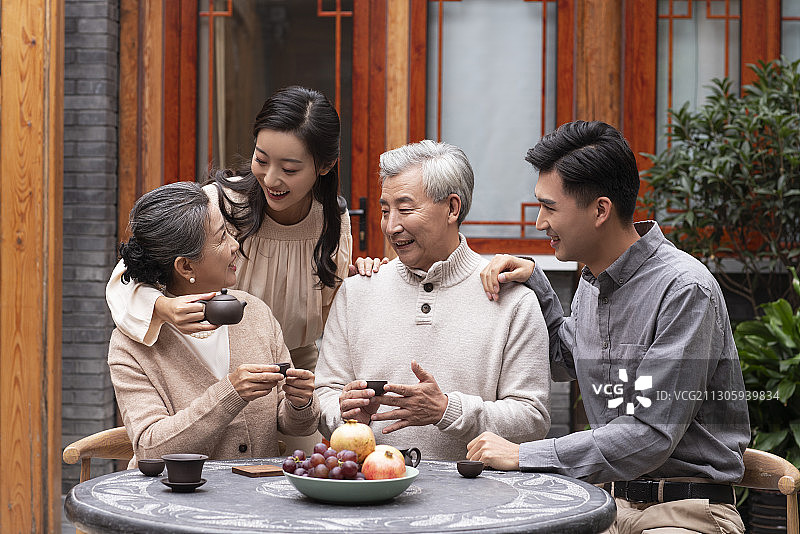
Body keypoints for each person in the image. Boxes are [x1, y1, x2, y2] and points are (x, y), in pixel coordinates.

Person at [470, 121, 749, 533]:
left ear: (600, 210)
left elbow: (651, 433)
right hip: (610, 506)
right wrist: (534, 282)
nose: (539, 223)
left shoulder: (685, 290)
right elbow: (565, 360)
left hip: (687, 512)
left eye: (549, 208)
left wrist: (525, 454)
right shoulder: (592, 283)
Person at [315, 140, 551, 461]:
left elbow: (533, 418)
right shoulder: (358, 291)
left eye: (406, 209)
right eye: (385, 211)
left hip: (474, 500)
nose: (391, 225)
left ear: (452, 208)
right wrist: (345, 413)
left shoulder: (513, 299)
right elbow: (325, 393)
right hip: (369, 495)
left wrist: (447, 411)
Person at [106, 86, 367, 373]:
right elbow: (127, 275)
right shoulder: (218, 206)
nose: (270, 179)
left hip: (293, 374)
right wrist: (162, 308)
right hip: (211, 370)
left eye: (289, 169)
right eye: (261, 160)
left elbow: (331, 316)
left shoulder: (332, 220)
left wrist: (367, 282)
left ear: (325, 166)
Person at [109, 181, 320, 464]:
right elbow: (150, 448)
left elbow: (296, 425)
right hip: (177, 503)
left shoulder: (254, 312)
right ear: (185, 266)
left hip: (256, 500)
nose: (235, 247)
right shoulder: (131, 345)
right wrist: (230, 393)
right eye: (222, 238)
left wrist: (300, 402)